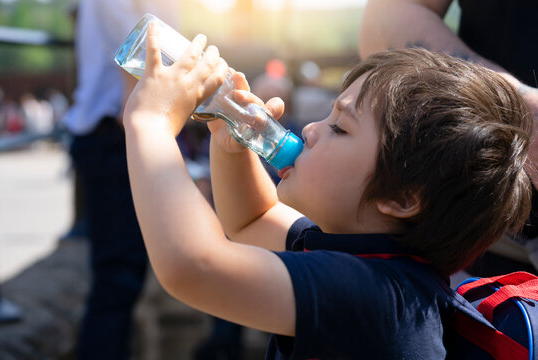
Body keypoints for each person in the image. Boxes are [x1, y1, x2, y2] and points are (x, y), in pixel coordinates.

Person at [123, 24, 532, 358]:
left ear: (401, 199)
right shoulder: (368, 257)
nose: (312, 129)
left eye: (340, 127)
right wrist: (228, 136)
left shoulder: (380, 298)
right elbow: (252, 220)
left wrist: (151, 123)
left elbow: (194, 268)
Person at [359, 0, 538, 276]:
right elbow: (386, 15)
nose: (310, 130)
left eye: (339, 129)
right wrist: (522, 109)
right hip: (484, 246)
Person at [62, 1, 179, 358]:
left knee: (120, 276)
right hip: (115, 135)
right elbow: (142, 49)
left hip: (112, 133)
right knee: (119, 277)